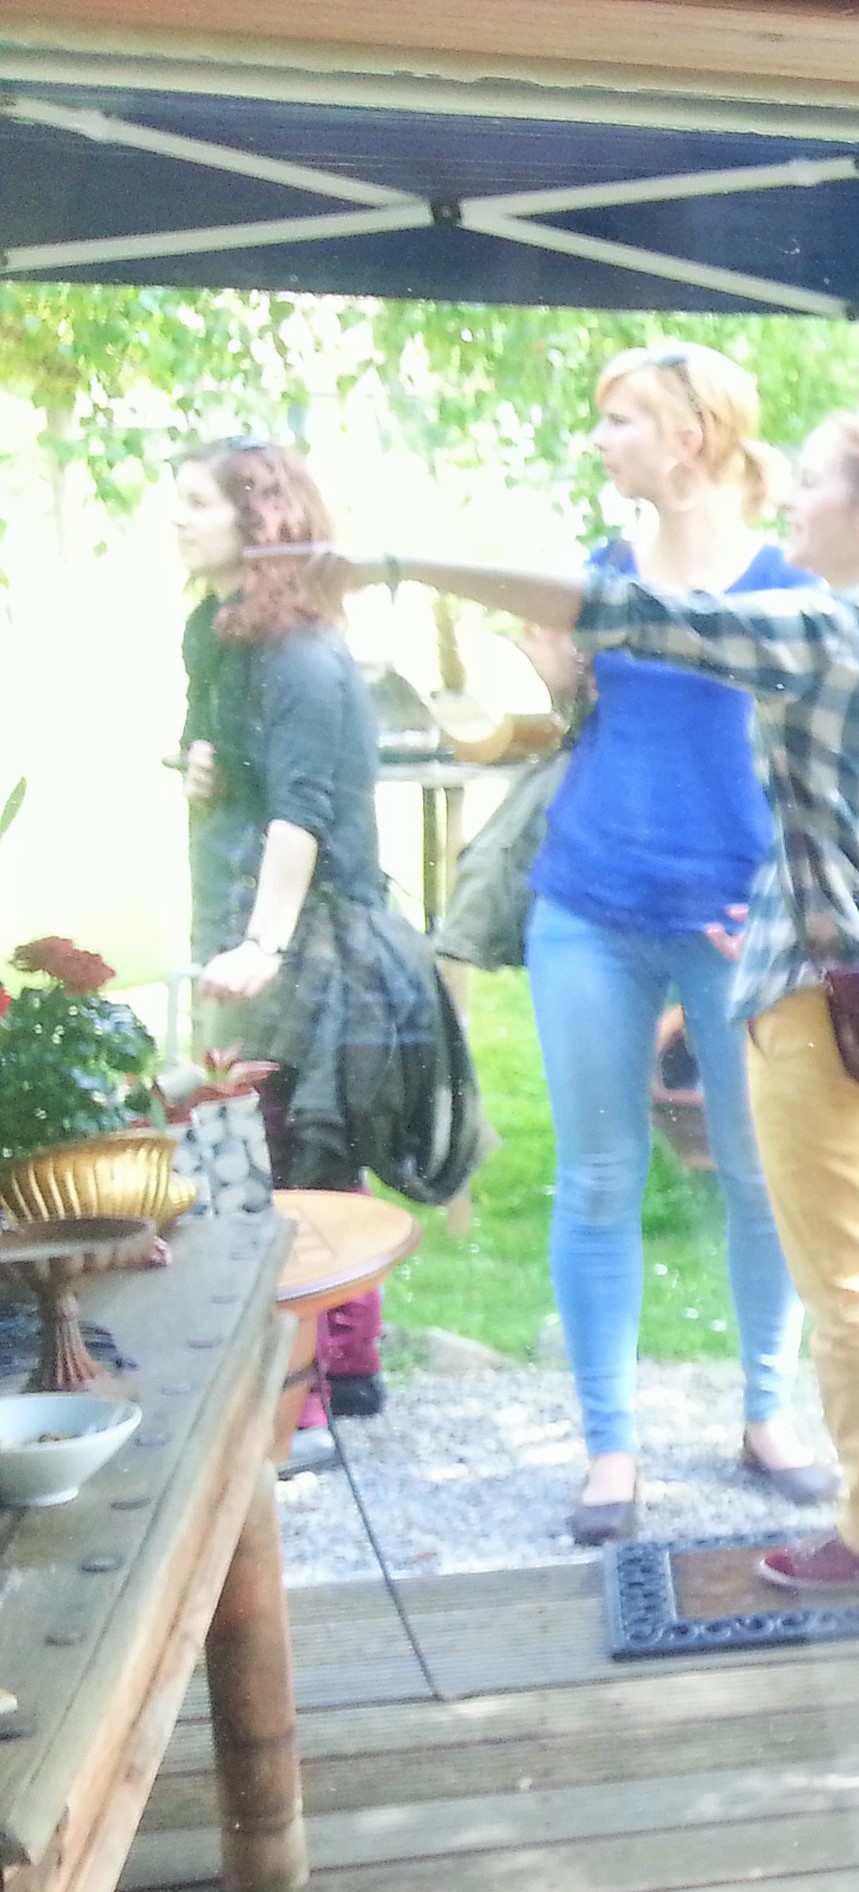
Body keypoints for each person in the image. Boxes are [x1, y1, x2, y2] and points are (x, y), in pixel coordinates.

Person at [276, 414, 859, 1590]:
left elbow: (625, 613)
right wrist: (798, 895)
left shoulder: (834, 625)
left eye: (812, 484)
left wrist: (398, 563)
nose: (791, 504)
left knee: (853, 1279)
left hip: (826, 1005)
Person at [518, 343, 833, 1547]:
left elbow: (819, 761)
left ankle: (768, 1417)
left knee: (761, 1176)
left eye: (622, 421)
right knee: (598, 1177)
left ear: (691, 435)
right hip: (589, 903)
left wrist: (787, 899)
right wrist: (551, 674)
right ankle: (611, 1449)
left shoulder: (786, 582)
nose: (601, 440)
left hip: (736, 921)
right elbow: (572, 717)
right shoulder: (597, 573)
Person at [175, 437, 446, 1455]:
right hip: (242, 918)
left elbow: (304, 814)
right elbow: (226, 763)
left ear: (262, 522)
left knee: (291, 1155)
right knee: (261, 1146)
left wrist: (263, 947)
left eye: (197, 503)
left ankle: (313, 1401)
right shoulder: (216, 633)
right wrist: (196, 761)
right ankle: (346, 1369)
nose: (177, 519)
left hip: (311, 938)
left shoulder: (299, 654)